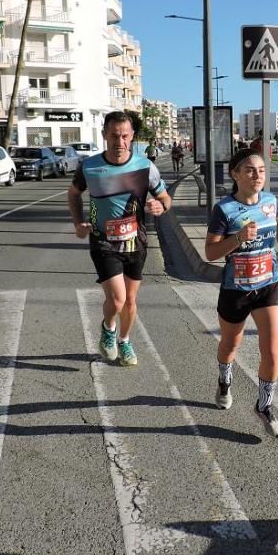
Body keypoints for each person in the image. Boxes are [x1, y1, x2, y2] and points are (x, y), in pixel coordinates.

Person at [68, 111, 173, 367]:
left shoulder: (144, 166)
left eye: (125, 136)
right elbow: (73, 194)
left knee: (131, 301)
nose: (120, 142)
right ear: (104, 135)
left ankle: (124, 340)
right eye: (114, 136)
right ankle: (108, 326)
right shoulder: (89, 166)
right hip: (103, 241)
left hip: (136, 241)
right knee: (118, 299)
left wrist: (161, 206)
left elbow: (165, 198)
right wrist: (79, 222)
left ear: (132, 137)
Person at [204, 148, 278, 438]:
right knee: (230, 345)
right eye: (251, 170)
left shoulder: (270, 200)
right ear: (235, 174)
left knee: (272, 351)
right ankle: (224, 380)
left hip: (268, 284)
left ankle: (264, 406)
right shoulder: (224, 210)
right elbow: (210, 252)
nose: (257, 176)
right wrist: (238, 238)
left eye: (262, 170)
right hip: (236, 290)